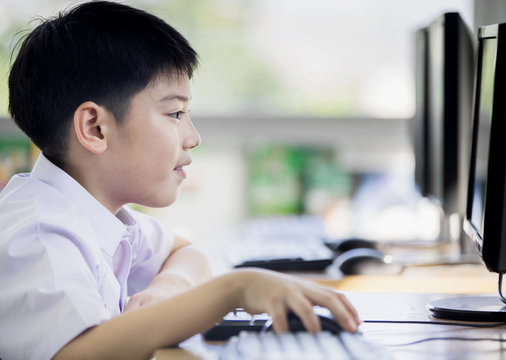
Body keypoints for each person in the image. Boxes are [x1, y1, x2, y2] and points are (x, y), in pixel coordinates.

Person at [0, 2, 361, 359]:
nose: (192, 137)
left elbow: (185, 251)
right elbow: (80, 354)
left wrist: (167, 290)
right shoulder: (39, 234)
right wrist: (235, 289)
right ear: (95, 128)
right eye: (175, 113)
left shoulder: (99, 216)